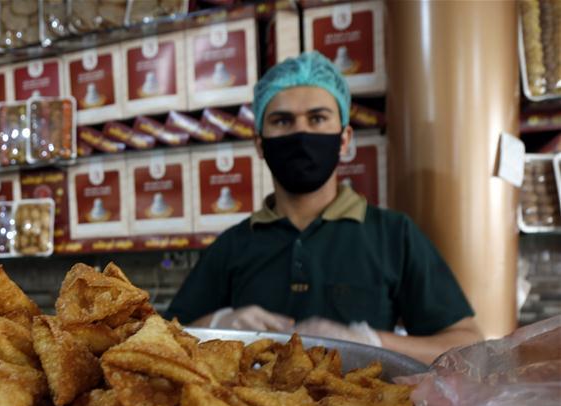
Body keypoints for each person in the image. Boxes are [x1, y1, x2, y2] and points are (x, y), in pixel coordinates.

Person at [165, 51, 483, 364]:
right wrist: (217, 325)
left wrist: (371, 342)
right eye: (282, 121)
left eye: (317, 118)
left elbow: (467, 342)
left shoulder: (393, 235)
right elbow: (163, 337)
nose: (301, 133)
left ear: (344, 139)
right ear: (260, 144)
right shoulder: (232, 245)